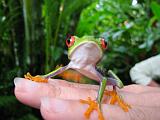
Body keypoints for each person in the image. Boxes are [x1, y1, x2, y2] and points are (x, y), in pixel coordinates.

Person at [14, 77, 160, 120]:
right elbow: (61, 70)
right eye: (69, 41)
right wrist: (43, 78)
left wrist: (98, 101)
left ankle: (99, 101)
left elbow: (104, 80)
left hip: (107, 87)